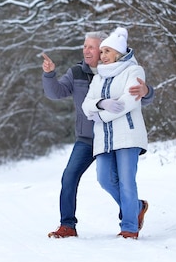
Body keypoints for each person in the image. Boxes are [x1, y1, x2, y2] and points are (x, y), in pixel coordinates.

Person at [42, 30, 154, 239]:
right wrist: (49, 75)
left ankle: (130, 219)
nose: (88, 51)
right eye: (86, 46)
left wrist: (148, 92)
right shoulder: (78, 73)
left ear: (112, 50)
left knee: (122, 179)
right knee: (71, 176)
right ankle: (67, 225)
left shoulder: (127, 70)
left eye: (93, 47)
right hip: (88, 139)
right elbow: (56, 93)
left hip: (117, 135)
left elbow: (138, 97)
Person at [81, 27, 149, 239]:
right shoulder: (99, 77)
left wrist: (100, 114)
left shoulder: (134, 71)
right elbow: (86, 105)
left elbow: (127, 102)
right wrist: (102, 103)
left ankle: (129, 228)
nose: (103, 56)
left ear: (118, 52)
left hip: (128, 135)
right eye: (102, 52)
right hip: (104, 139)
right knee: (104, 179)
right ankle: (136, 207)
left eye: (107, 51)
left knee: (127, 181)